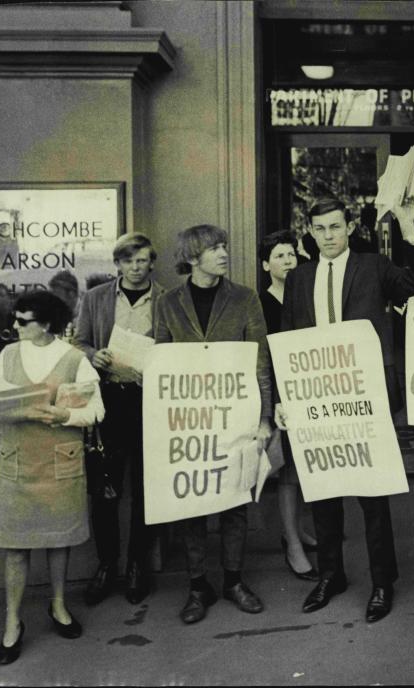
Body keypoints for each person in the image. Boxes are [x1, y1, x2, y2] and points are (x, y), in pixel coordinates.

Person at [277, 195, 414, 623]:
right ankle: (331, 574)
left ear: (349, 229)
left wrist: (410, 229)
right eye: (320, 229)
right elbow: (289, 338)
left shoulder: (374, 266)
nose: (328, 236)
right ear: (311, 230)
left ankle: (382, 582)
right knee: (324, 490)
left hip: (365, 396)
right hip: (317, 397)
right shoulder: (300, 278)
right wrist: (286, 399)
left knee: (372, 493)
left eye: (336, 227)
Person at [153, 224, 273, 624]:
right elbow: (161, 362)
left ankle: (234, 581)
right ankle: (197, 585)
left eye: (224, 246)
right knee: (193, 503)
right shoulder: (168, 303)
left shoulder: (244, 298)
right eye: (214, 248)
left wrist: (264, 417)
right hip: (189, 420)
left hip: (235, 414)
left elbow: (260, 361)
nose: (224, 253)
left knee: (236, 500)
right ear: (192, 258)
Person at [0, 290, 104, 665]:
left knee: (58, 540)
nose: (14, 326)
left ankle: (59, 606)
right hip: (17, 461)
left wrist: (66, 417)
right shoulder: (8, 355)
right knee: (15, 546)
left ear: (46, 324)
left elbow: (97, 410)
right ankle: (12, 623)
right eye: (14, 319)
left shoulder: (75, 359)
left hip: (59, 460)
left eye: (22, 321)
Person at [75, 233, 165, 606]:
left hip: (150, 401)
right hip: (108, 400)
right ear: (117, 264)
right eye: (128, 262)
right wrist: (93, 355)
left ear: (151, 262)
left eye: (142, 261)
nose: (135, 267)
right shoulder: (96, 298)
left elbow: (180, 345)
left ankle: (136, 565)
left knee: (147, 488)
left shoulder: (166, 299)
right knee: (105, 489)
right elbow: (78, 342)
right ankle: (106, 565)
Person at [260, 230, 319, 582]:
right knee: (288, 470)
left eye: (291, 255)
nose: (287, 261)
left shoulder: (306, 294)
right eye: (279, 256)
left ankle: (297, 528)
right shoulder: (262, 302)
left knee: (306, 466)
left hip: (308, 385)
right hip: (281, 392)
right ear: (266, 264)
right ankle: (292, 542)